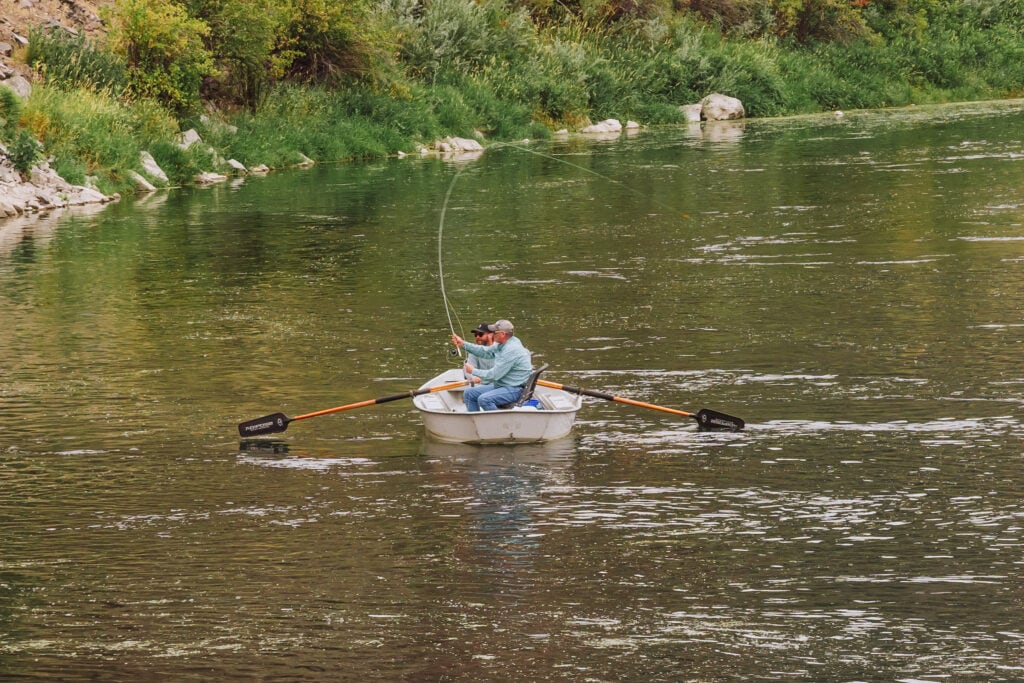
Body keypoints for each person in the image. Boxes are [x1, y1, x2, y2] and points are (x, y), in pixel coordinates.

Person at [451, 319, 532, 411]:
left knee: (484, 399)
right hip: (504, 385)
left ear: (502, 334)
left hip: (515, 389)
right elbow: (485, 352)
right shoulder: (504, 343)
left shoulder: (510, 350)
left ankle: (498, 424)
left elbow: (494, 375)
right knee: (469, 393)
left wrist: (473, 371)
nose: (492, 334)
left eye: (494, 332)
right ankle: (476, 422)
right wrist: (463, 344)